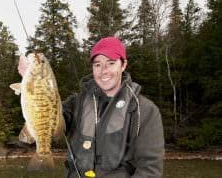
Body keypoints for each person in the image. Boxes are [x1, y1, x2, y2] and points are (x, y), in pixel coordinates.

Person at [18, 37, 164, 178]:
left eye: (111, 63)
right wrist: (30, 79)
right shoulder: (77, 103)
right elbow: (53, 122)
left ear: (123, 64)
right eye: (97, 65)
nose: (104, 70)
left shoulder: (145, 110)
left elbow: (150, 170)